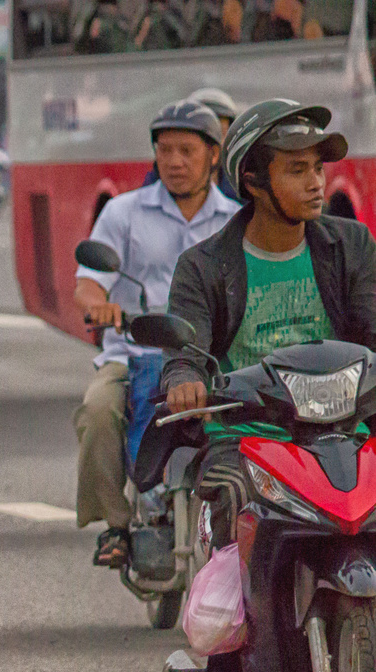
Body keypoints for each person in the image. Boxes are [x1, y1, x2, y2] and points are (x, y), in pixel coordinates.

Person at [160, 99, 369, 672]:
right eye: (297, 170)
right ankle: (226, 665)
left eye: (318, 169)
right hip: (252, 435)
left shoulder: (350, 245)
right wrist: (187, 379)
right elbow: (185, 348)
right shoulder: (205, 266)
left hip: (346, 426)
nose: (316, 183)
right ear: (253, 180)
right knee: (230, 506)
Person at [74, 100, 236, 570]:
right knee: (98, 412)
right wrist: (100, 306)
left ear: (213, 156)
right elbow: (87, 284)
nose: (175, 162)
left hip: (209, 358)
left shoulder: (234, 221)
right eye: (165, 151)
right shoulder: (123, 213)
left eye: (187, 150)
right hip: (132, 350)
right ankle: (116, 524)